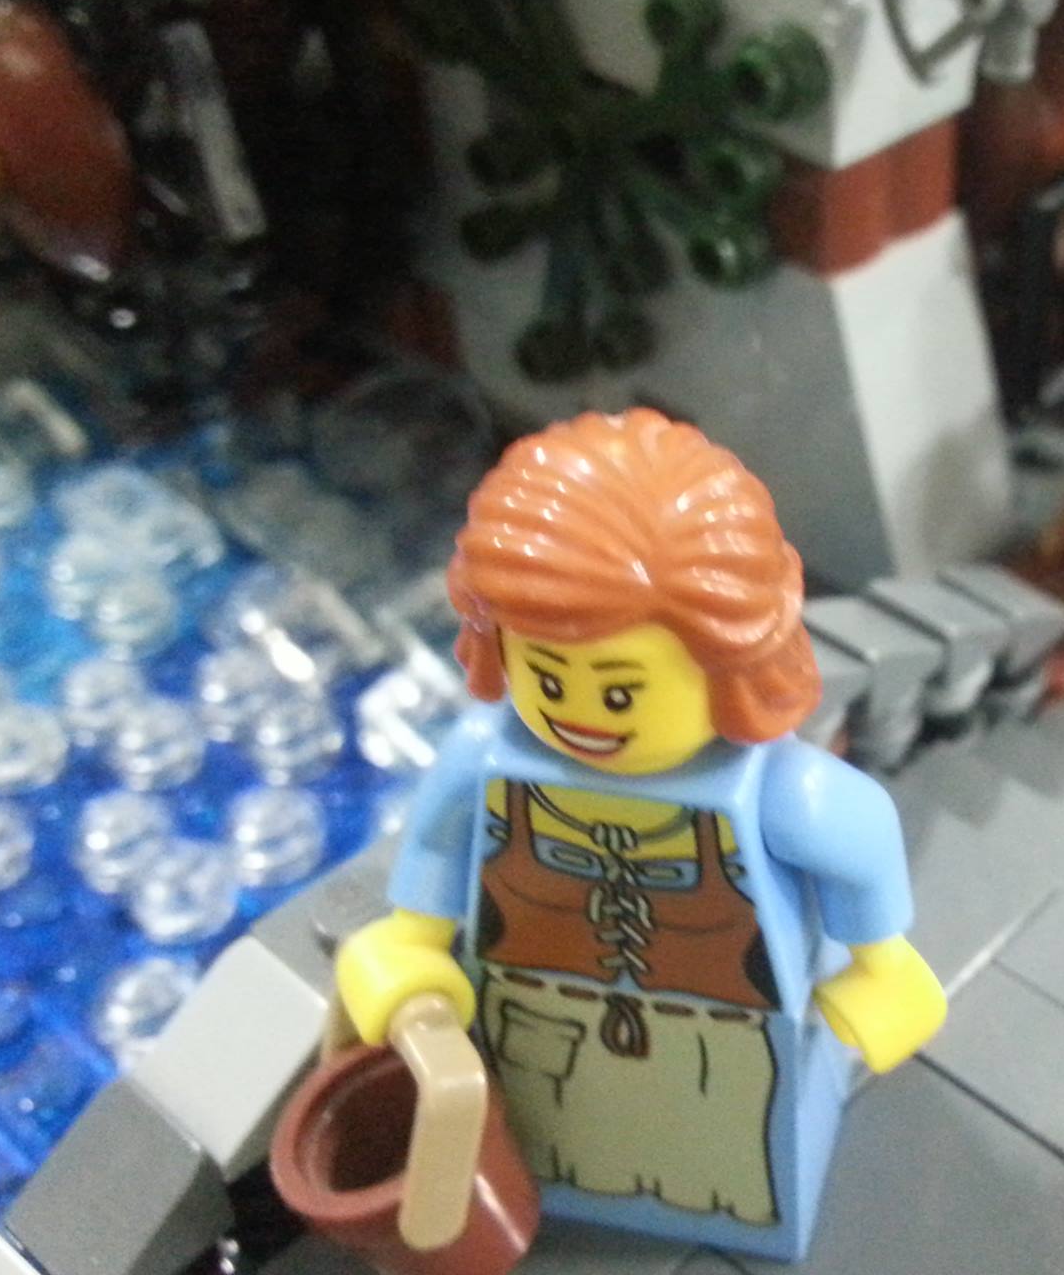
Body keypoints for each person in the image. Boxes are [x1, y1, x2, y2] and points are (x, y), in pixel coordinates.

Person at [334, 409, 945, 1262]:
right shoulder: (484, 757)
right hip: (539, 1022)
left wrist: (886, 965)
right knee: (562, 1146)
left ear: (729, 662)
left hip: (724, 1042)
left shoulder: (779, 793)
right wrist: (412, 939)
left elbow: (859, 834)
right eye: (548, 677)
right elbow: (438, 845)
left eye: (620, 692)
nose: (580, 713)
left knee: (727, 1169)